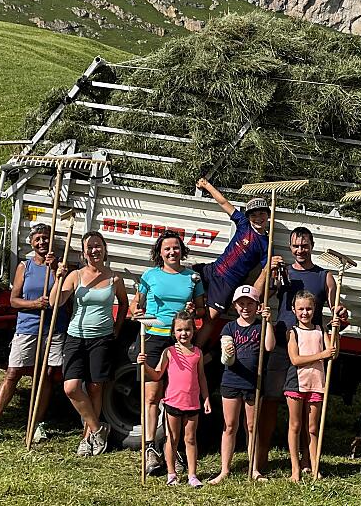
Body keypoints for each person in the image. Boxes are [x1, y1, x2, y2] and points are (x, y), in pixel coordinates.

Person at [253, 227, 349, 477]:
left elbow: (337, 312)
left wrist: (341, 315)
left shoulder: (324, 276)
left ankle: (307, 461)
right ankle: (259, 460)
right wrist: (267, 270)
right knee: (271, 400)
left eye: (304, 245)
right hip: (282, 345)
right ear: (290, 247)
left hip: (311, 348)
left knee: (309, 407)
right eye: (296, 246)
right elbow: (257, 295)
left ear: (312, 246)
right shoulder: (283, 272)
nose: (300, 250)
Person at [0, 223, 67, 444]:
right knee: (13, 372)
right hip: (27, 328)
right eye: (38, 239)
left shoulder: (62, 266)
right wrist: (35, 303)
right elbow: (14, 300)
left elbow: (66, 297)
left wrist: (56, 271)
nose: (42, 242)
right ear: (31, 242)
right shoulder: (25, 267)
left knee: (45, 375)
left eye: (46, 238)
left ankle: (37, 423)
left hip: (53, 329)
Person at [133, 231, 206, 474]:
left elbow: (202, 310)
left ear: (182, 250)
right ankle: (150, 449)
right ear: (160, 252)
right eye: (167, 248)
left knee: (178, 396)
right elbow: (136, 304)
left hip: (180, 341)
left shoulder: (192, 277)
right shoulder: (150, 275)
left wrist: (194, 310)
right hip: (154, 337)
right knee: (152, 396)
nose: (172, 252)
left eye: (176, 248)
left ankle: (172, 448)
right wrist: (136, 311)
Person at [60, 231, 128, 456]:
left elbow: (124, 304)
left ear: (104, 249)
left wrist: (117, 328)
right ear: (83, 253)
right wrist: (58, 279)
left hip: (102, 338)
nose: (94, 250)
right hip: (76, 336)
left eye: (98, 246)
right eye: (89, 247)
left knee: (95, 387)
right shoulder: (75, 276)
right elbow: (55, 302)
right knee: (71, 388)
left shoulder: (114, 278)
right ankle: (98, 429)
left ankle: (87, 438)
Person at [138, 311, 212, 488]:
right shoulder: (169, 352)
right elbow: (157, 375)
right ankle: (171, 474)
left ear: (193, 331)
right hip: (172, 403)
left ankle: (192, 475)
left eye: (187, 329)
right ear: (173, 331)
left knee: (190, 439)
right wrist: (144, 365)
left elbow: (201, 377)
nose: (184, 333)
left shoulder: (198, 353)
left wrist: (206, 397)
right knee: (171, 439)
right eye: (179, 330)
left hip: (192, 403)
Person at [210, 285, 274, 484]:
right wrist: (227, 352)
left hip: (254, 383)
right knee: (230, 425)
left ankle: (254, 469)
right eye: (241, 304)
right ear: (235, 306)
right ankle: (224, 470)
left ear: (257, 306)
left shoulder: (261, 326)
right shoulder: (229, 328)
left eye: (250, 303)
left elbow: (269, 346)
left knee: (252, 426)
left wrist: (268, 322)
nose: (245, 307)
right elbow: (226, 357)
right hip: (231, 381)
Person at [193, 177, 270, 346]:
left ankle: (195, 351)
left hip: (227, 283)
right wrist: (206, 185)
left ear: (268, 215)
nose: (258, 218)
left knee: (211, 317)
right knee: (184, 278)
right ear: (248, 217)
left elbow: (265, 274)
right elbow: (224, 203)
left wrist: (260, 299)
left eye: (262, 214)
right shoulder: (243, 224)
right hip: (213, 269)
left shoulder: (267, 244)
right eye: (254, 215)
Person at [285, 290, 339, 481]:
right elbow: (295, 359)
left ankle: (314, 466)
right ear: (294, 310)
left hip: (316, 383)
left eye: (308, 308)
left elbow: (333, 353)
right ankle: (295, 468)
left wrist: (335, 332)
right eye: (301, 309)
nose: (305, 313)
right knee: (295, 425)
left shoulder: (320, 330)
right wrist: (321, 355)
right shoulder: (292, 332)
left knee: (312, 428)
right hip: (296, 383)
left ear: (314, 309)